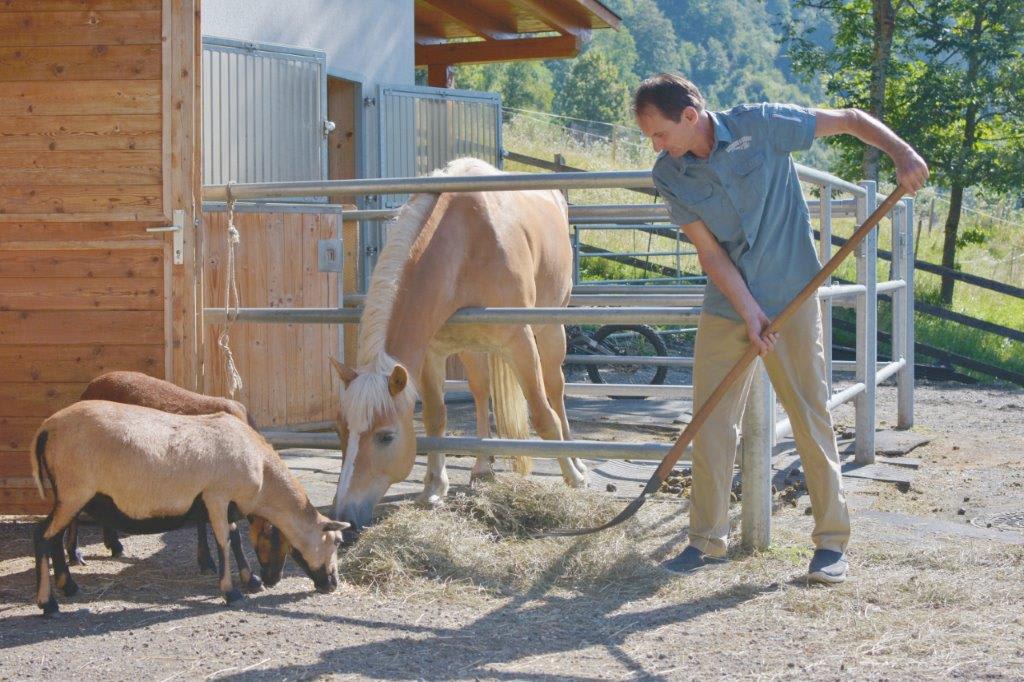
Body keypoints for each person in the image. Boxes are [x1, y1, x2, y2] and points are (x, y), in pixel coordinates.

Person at [634, 73, 928, 583]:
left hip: (793, 291)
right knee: (710, 418)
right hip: (729, 303)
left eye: (659, 133)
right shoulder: (670, 175)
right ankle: (705, 541)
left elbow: (851, 120)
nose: (656, 146)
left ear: (690, 115)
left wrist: (902, 153)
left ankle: (831, 544)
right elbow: (710, 254)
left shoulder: (763, 124)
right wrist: (749, 311)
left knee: (809, 413)